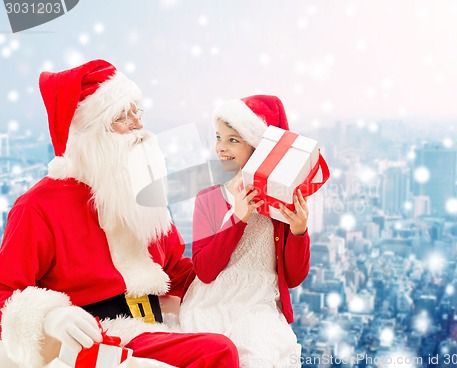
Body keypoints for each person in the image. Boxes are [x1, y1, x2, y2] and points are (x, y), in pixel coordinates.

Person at [0, 59, 239, 368]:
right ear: (89, 133)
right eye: (121, 117)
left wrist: (236, 271)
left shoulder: (142, 192)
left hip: (157, 324)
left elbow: (176, 269)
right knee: (216, 351)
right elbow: (5, 290)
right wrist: (51, 316)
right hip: (103, 337)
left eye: (136, 113)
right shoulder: (38, 206)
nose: (138, 125)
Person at [179, 95, 311, 367]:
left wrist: (299, 232)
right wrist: (237, 219)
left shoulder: (282, 204)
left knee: (259, 356)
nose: (221, 148)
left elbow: (294, 276)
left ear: (259, 147)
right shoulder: (209, 198)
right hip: (212, 303)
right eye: (218, 137)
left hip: (260, 306)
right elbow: (204, 270)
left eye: (233, 140)